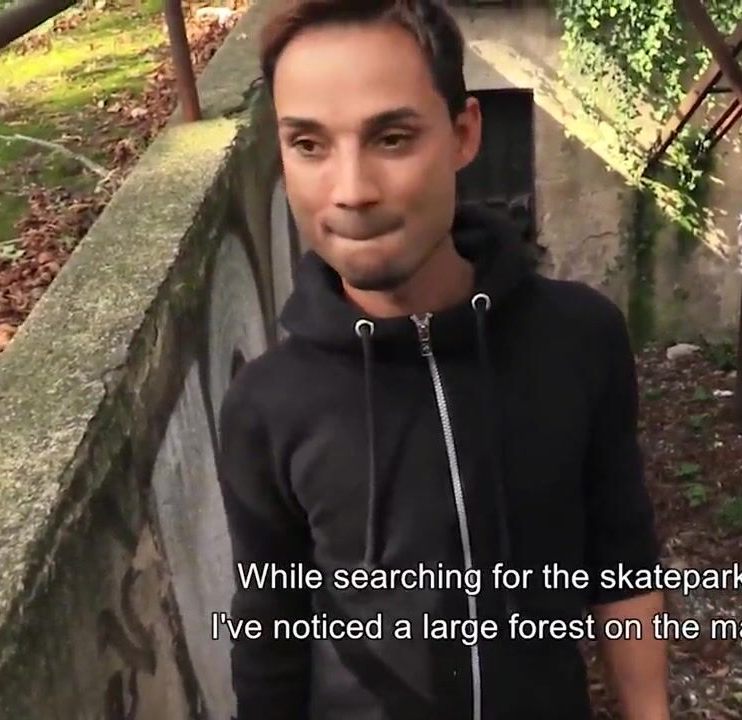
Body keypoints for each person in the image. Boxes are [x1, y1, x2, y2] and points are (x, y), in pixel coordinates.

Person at [216, 0, 668, 718]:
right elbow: (270, 637)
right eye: (309, 144)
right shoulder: (266, 407)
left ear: (464, 134)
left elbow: (622, 560)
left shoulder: (581, 338)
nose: (351, 190)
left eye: (392, 138)